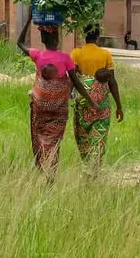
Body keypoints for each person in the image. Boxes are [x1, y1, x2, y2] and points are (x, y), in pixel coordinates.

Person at [17, 14, 98, 179]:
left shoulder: (38, 55)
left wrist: (28, 19)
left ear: (43, 39)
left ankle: (41, 164)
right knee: (54, 140)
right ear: (57, 39)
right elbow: (76, 83)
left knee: (39, 135)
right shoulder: (65, 58)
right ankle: (51, 173)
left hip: (40, 107)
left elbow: (19, 43)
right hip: (59, 109)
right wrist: (91, 102)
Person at [71, 25, 123, 169]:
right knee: (99, 138)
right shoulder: (105, 54)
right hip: (102, 105)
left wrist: (66, 99)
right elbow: (112, 81)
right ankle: (95, 169)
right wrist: (119, 106)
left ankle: (87, 166)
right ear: (98, 36)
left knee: (83, 138)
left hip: (83, 103)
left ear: (84, 35)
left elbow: (72, 79)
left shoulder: (76, 53)